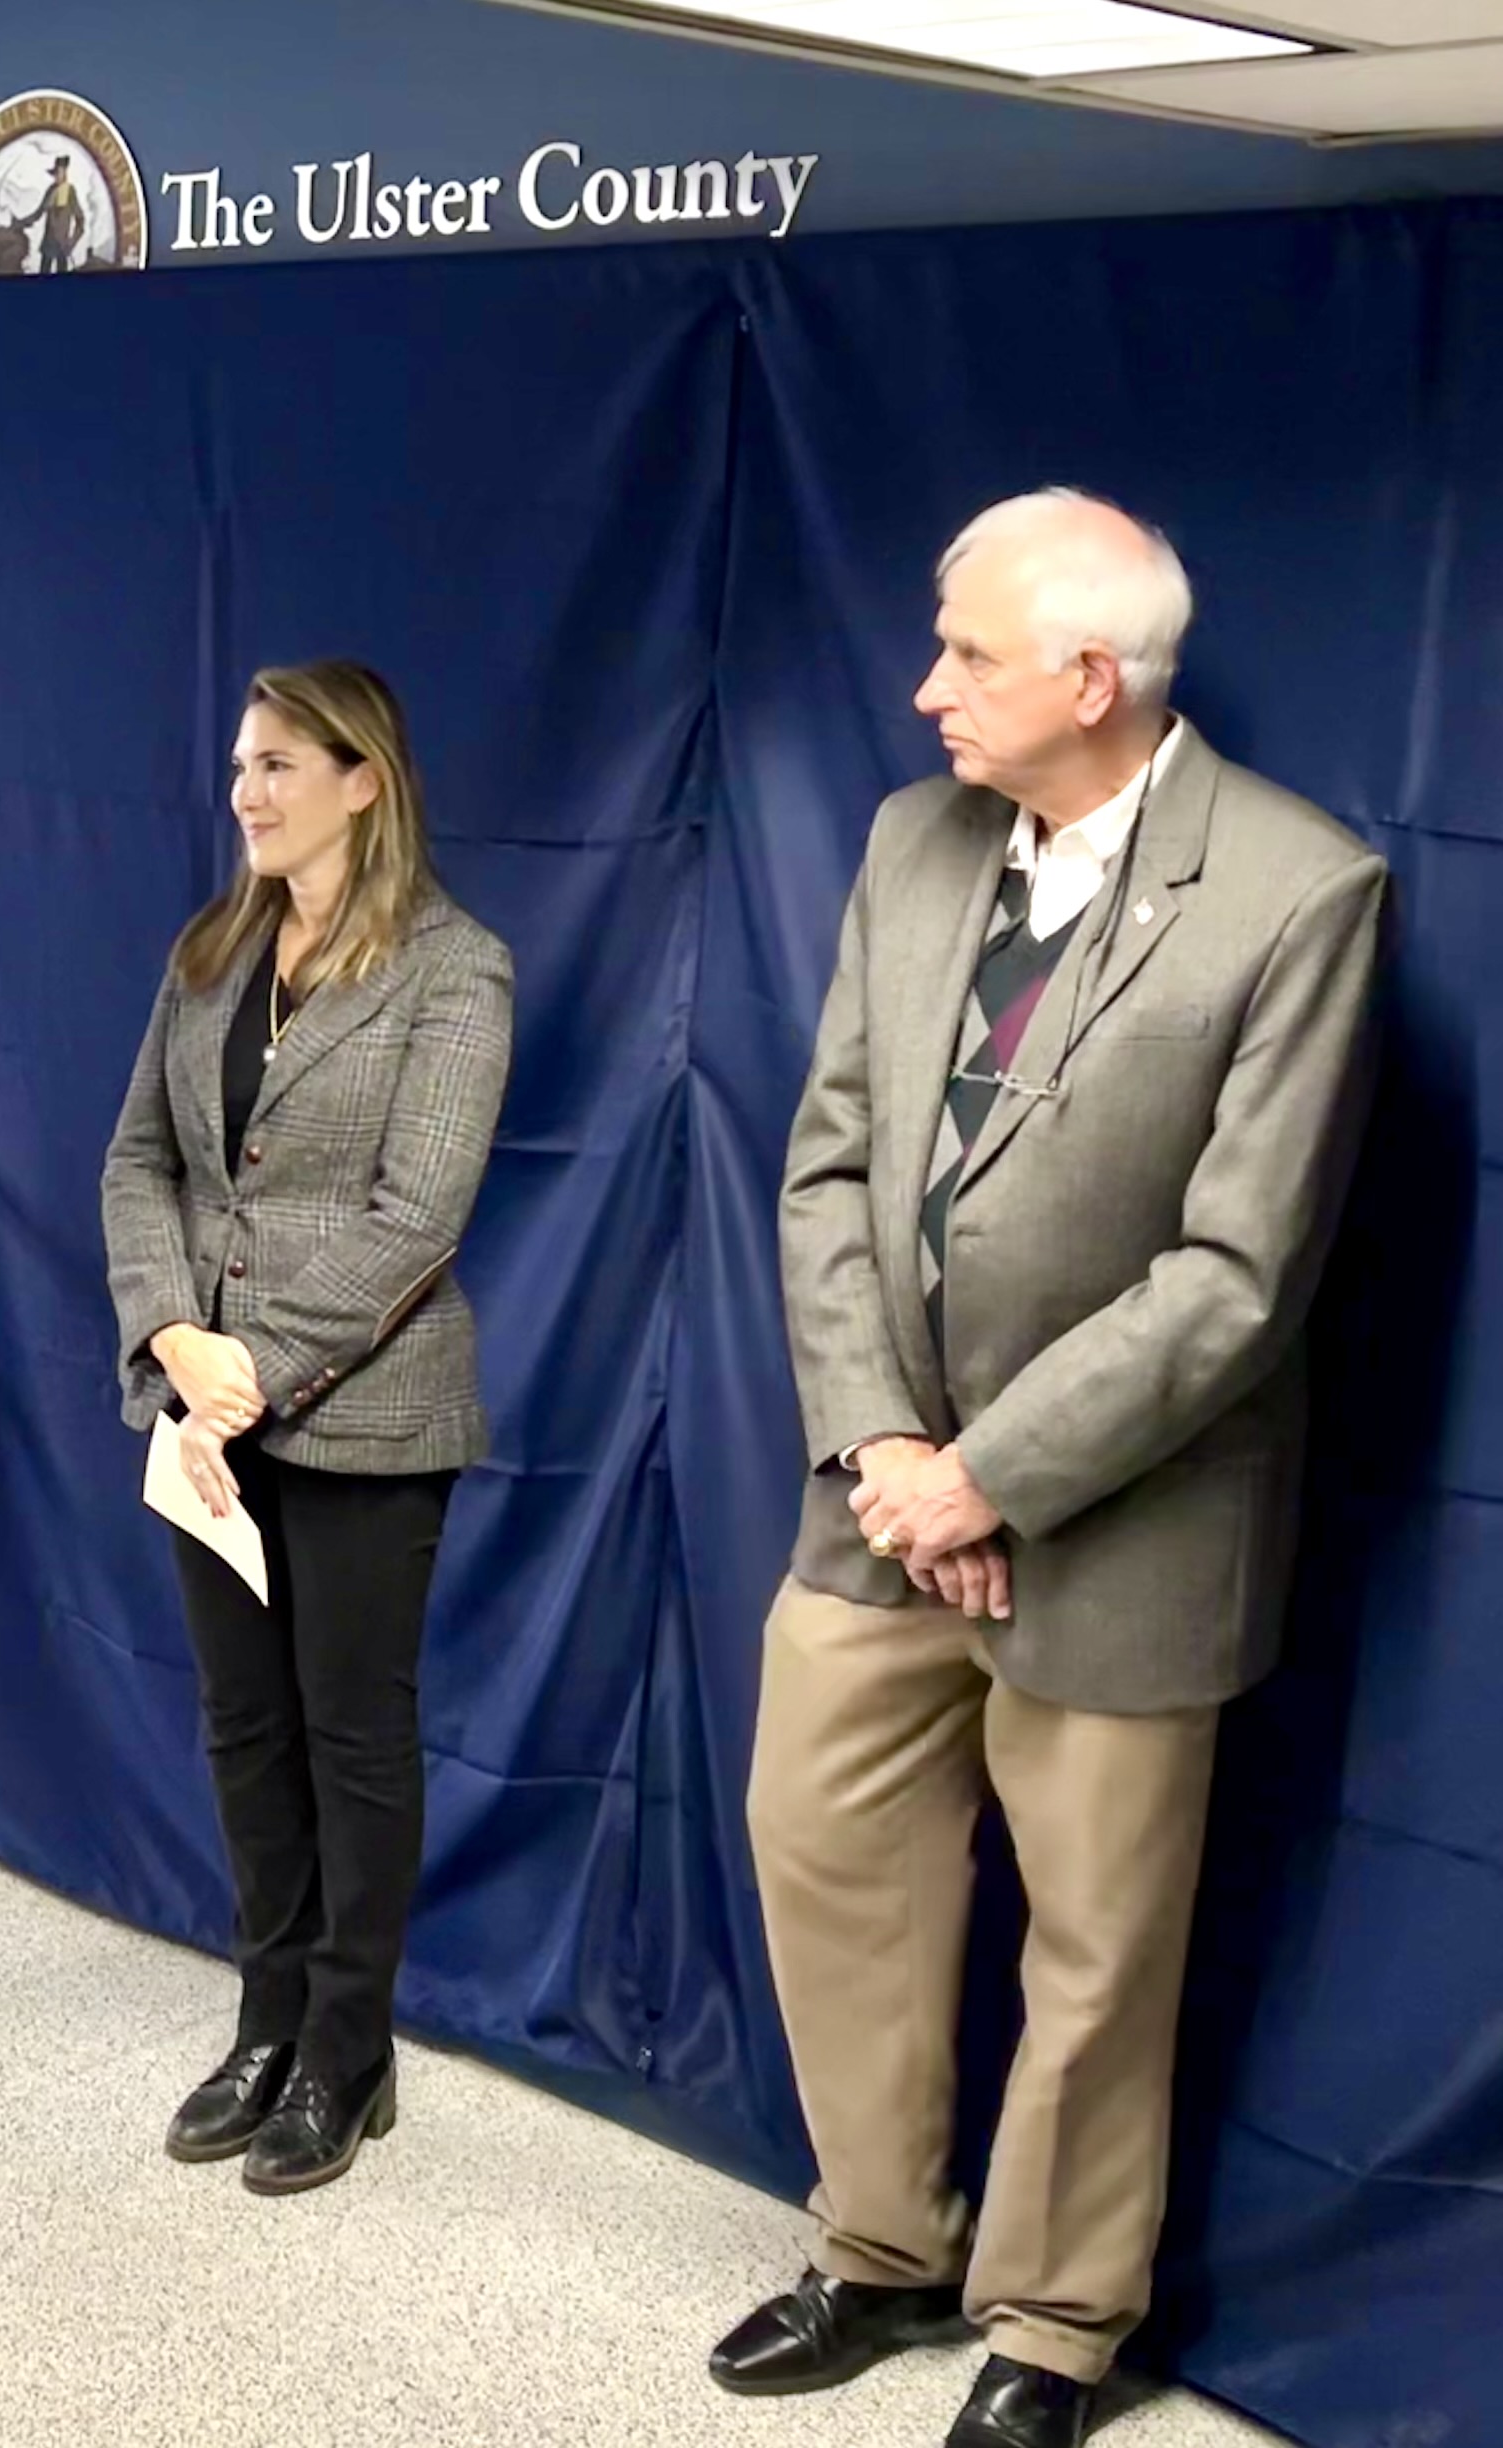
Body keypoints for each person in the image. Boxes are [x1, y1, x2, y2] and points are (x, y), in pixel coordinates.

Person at [710, 492, 1386, 2448]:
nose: (925, 690)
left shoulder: (1297, 893)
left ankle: (1058, 2327)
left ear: (1092, 680)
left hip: (1123, 1532)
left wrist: (991, 1478)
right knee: (826, 1858)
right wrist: (887, 1450)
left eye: (969, 658)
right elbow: (826, 1161)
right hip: (875, 1500)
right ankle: (878, 2246)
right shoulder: (909, 845)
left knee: (1097, 1954)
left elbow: (1238, 1276)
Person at [99, 660, 514, 2196]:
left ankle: (349, 2053)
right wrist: (171, 1336)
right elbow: (138, 1161)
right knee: (243, 1728)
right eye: (236, 765)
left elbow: (419, 1218)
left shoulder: (456, 971)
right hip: (202, 1415)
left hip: (362, 1421)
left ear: (364, 779)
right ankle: (265, 2016)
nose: (246, 792)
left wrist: (249, 1365)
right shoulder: (211, 953)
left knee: (352, 1738)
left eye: (278, 763)